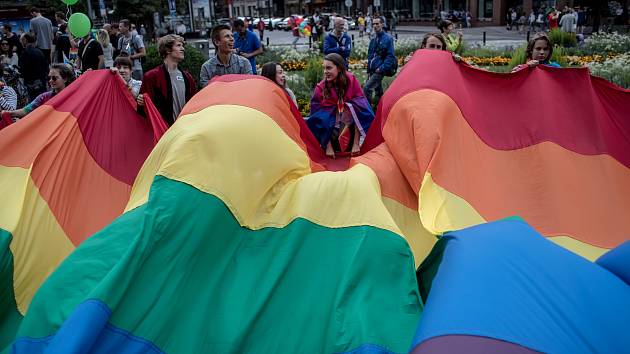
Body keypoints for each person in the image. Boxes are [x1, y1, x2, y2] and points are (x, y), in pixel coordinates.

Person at [308, 53, 374, 158]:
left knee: (354, 106)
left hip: (350, 130)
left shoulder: (351, 81)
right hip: (329, 134)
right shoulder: (320, 88)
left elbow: (360, 111)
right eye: (324, 68)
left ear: (338, 68)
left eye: (329, 68)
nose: (325, 72)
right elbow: (318, 119)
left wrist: (356, 143)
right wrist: (328, 146)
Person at [137, 35, 196, 126]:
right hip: (163, 131)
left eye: (182, 46)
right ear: (168, 50)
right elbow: (143, 111)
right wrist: (141, 101)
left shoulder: (188, 77)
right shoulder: (152, 76)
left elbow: (194, 104)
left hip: (185, 130)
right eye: (178, 45)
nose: (183, 49)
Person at [1, 63, 74, 119]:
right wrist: (8, 113)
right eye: (49, 78)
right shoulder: (44, 97)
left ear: (65, 79)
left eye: (54, 78)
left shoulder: (73, 97)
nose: (51, 81)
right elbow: (25, 111)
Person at [363, 17, 396, 108]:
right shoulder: (374, 39)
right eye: (373, 24)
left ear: (382, 24)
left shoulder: (388, 38)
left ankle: (367, 111)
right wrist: (369, 69)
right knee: (378, 91)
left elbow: (390, 56)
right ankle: (381, 106)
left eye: (377, 24)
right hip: (373, 69)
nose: (375, 26)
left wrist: (381, 68)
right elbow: (370, 55)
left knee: (367, 88)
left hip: (380, 69)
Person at [18, 33, 48, 101]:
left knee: (33, 104)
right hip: (42, 81)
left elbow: (23, 69)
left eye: (22, 40)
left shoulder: (25, 53)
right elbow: (46, 66)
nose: (21, 42)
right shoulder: (39, 51)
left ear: (25, 40)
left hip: (31, 84)